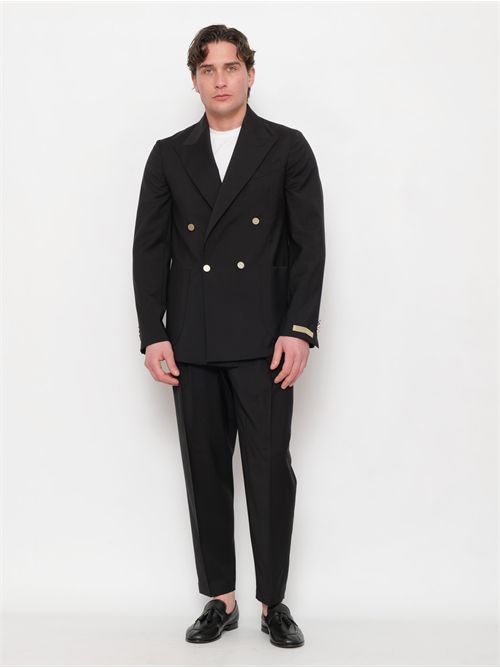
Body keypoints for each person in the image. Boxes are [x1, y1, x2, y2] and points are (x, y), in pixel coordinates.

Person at [132, 24, 326, 648]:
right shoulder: (169, 154)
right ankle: (221, 599)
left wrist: (299, 329)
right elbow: (149, 250)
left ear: (250, 74)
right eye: (208, 69)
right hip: (192, 339)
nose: (220, 79)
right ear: (194, 79)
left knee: (269, 473)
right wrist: (153, 333)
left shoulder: (287, 147)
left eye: (231, 67)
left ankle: (273, 603)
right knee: (205, 470)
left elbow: (309, 248)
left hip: (265, 341)